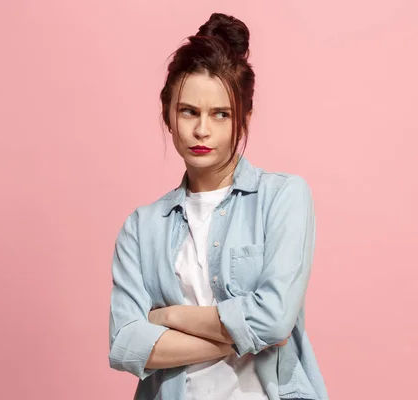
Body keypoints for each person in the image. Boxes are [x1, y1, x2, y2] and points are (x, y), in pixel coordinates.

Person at [109, 12, 328, 400]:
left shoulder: (284, 198)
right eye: (188, 111)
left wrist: (170, 318)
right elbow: (126, 344)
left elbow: (275, 320)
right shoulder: (142, 227)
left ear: (243, 117)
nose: (202, 130)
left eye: (220, 114)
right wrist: (242, 336)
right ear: (168, 115)